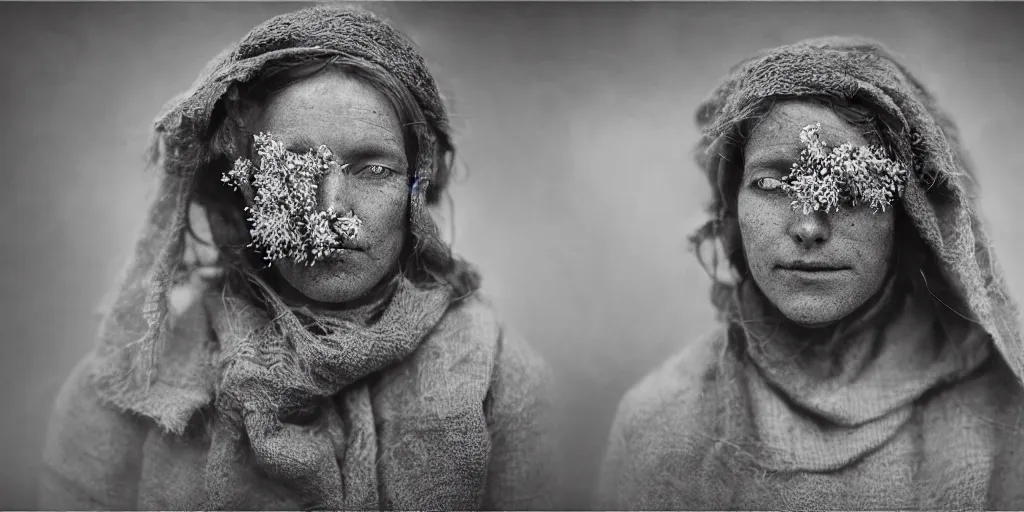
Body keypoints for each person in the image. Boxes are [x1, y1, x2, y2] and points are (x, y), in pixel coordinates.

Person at [39, 5, 556, 510]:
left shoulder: (498, 383)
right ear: (242, 186)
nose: (330, 210)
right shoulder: (126, 399)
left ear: (417, 188)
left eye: (372, 170)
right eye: (293, 166)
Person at [597, 36, 1024, 510]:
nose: (808, 226)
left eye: (851, 188)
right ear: (731, 206)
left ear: (908, 217)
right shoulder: (665, 424)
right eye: (772, 183)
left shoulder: (998, 421)